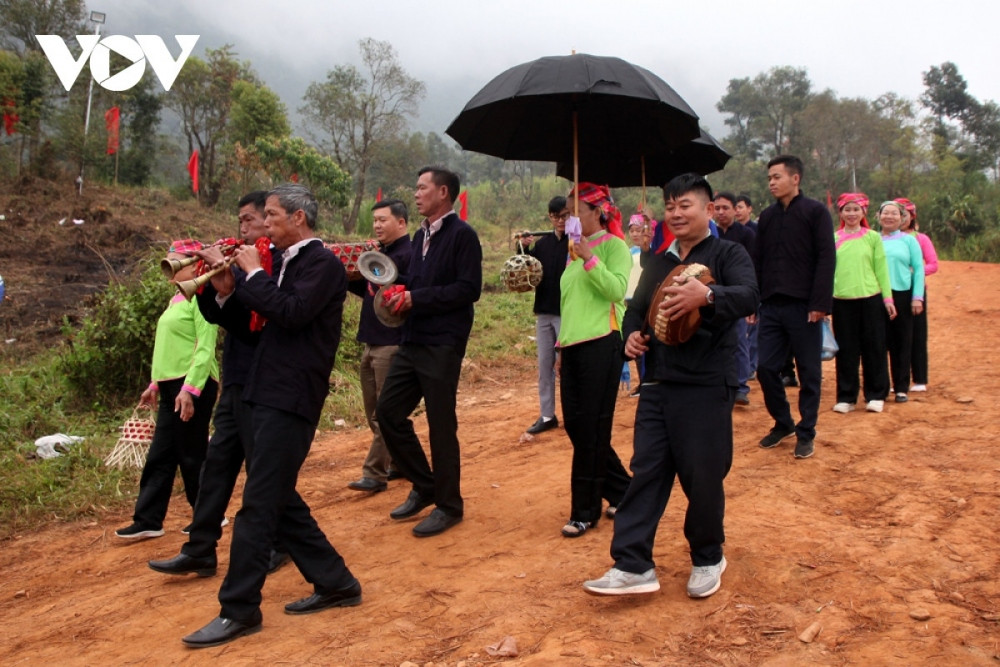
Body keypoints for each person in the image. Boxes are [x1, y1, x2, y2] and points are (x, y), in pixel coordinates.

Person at [182, 184, 361, 649]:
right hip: (262, 392)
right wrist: (223, 294)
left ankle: (238, 609)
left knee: (258, 506)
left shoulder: (322, 263)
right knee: (278, 499)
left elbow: (294, 313)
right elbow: (250, 326)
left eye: (275, 215)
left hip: (293, 397)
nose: (267, 223)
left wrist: (254, 274)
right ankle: (336, 581)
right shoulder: (277, 264)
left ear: (299, 218)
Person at [583, 173, 757, 598]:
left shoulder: (728, 253)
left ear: (709, 207)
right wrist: (632, 338)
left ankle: (707, 556)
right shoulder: (658, 262)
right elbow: (634, 311)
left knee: (702, 476)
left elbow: (750, 296)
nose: (676, 214)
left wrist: (708, 297)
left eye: (686, 205)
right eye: (671, 206)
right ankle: (633, 563)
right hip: (658, 384)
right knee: (647, 472)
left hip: (706, 383)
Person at [147, 192, 289, 576]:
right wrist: (216, 284)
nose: (241, 227)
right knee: (217, 466)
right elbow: (216, 316)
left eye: (251, 219)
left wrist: (237, 282)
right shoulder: (243, 257)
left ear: (270, 220)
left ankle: (281, 541)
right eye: (240, 219)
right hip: (236, 378)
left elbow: (266, 317)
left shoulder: (274, 261)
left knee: (264, 469)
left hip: (263, 381)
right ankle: (200, 547)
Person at [376, 166, 483, 538]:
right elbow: (416, 283)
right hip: (413, 339)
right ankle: (425, 484)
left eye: (422, 188)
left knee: (441, 423)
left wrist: (415, 298)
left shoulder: (463, 236)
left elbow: (469, 289)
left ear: (443, 193)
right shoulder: (421, 234)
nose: (416, 193)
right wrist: (396, 291)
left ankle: (449, 505)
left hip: (442, 343)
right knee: (388, 412)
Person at [115, 240, 219, 541]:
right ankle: (148, 519)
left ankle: (208, 514)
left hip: (192, 384)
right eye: (169, 262)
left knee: (191, 453)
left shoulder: (202, 297)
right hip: (171, 384)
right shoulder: (176, 300)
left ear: (195, 265)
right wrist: (154, 385)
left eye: (176, 262)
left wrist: (190, 389)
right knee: (161, 454)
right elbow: (169, 347)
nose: (170, 269)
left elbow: (205, 348)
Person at [556, 182, 632, 538]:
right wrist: (560, 346)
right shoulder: (569, 253)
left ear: (597, 212)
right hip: (572, 347)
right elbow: (570, 304)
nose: (568, 218)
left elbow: (618, 291)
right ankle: (623, 490)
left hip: (602, 344)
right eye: (567, 212)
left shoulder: (615, 247)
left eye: (575, 211)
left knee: (592, 428)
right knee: (576, 425)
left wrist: (589, 257)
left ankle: (585, 510)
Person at [753, 155, 835, 460]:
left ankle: (806, 431)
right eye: (769, 178)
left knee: (809, 372)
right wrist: (754, 300)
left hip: (804, 306)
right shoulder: (768, 217)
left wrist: (820, 303)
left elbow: (826, 259)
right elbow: (758, 260)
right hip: (771, 305)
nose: (772, 182)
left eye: (777, 177)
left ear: (795, 178)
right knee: (765, 368)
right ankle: (783, 422)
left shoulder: (815, 212)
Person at [345, 199, 413, 493]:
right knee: (373, 409)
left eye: (383, 220)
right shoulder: (379, 255)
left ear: (401, 222)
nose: (376, 225)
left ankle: (374, 473)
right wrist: (349, 277)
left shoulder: (410, 255)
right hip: (371, 340)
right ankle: (401, 461)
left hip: (392, 343)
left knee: (385, 410)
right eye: (374, 220)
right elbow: (371, 293)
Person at [830, 193, 896, 414]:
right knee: (846, 350)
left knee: (874, 347)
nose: (851, 214)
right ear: (840, 213)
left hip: (870, 299)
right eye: (847, 210)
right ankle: (847, 397)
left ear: (864, 212)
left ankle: (876, 394)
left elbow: (881, 270)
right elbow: (828, 272)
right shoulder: (834, 238)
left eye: (855, 209)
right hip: (841, 301)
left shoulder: (872, 238)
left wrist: (887, 299)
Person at [520, 196, 570, 434]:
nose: (560, 221)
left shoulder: (576, 244)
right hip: (543, 312)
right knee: (545, 366)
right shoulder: (542, 245)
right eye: (555, 216)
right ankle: (548, 415)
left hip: (567, 314)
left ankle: (574, 412)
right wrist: (524, 247)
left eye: (565, 215)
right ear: (549, 217)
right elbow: (528, 271)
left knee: (567, 366)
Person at [878, 200, 924, 404]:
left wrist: (917, 297)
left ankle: (901, 387)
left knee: (902, 341)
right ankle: (880, 386)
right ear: (878, 217)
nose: (889, 217)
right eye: (885, 213)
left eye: (894, 214)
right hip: (876, 295)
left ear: (902, 218)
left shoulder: (909, 241)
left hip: (902, 294)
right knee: (878, 342)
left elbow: (919, 268)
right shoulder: (872, 239)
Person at [714, 191, 755, 406]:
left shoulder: (746, 235)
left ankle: (741, 386)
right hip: (712, 296)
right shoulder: (710, 234)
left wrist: (751, 300)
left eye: (726, 208)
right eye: (717, 208)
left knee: (740, 340)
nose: (721, 212)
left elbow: (753, 267)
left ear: (734, 210)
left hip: (737, 296)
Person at [895, 198, 938, 392]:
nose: (902, 219)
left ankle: (919, 377)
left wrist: (913, 272)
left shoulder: (921, 239)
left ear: (912, 217)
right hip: (893, 291)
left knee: (918, 334)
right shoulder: (884, 238)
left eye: (906, 215)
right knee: (896, 335)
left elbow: (932, 264)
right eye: (898, 214)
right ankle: (897, 378)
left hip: (916, 290)